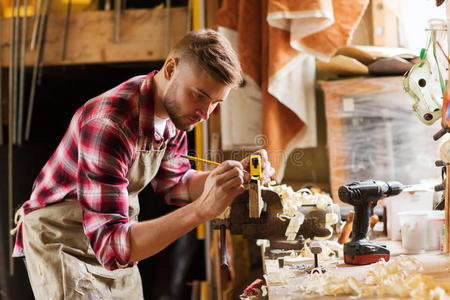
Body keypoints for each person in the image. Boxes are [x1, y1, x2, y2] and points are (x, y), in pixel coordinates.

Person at [11, 29, 275, 299]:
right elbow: (112, 246)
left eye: (216, 103)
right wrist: (201, 211)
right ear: (171, 68)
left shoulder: (175, 113)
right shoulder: (109, 124)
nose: (206, 114)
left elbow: (175, 183)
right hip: (66, 242)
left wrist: (226, 180)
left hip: (115, 233)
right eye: (199, 95)